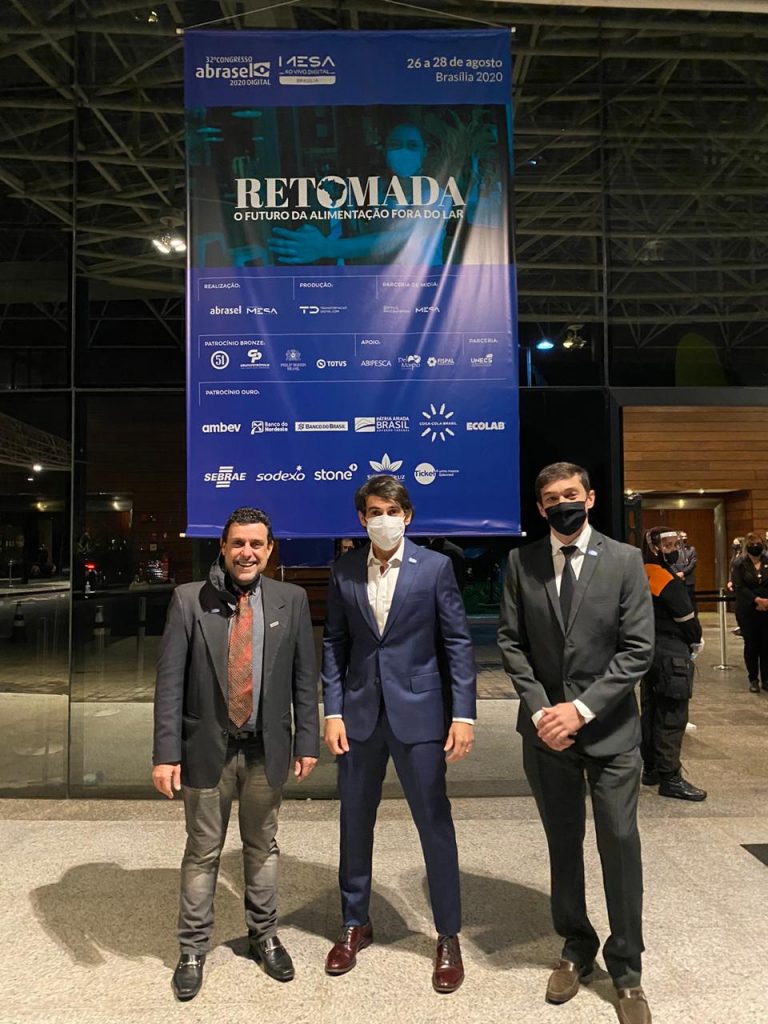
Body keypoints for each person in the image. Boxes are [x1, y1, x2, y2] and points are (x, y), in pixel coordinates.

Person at [497, 462, 654, 1024]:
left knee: (619, 842)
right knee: (563, 844)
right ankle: (576, 947)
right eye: (550, 498)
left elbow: (637, 649)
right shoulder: (521, 562)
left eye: (570, 494)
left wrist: (581, 709)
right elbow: (511, 643)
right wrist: (544, 711)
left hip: (610, 732)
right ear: (541, 508)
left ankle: (627, 970)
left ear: (589, 498)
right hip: (546, 735)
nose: (561, 503)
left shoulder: (625, 560)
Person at [152, 506, 319, 1001]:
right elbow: (169, 683)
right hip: (208, 749)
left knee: (262, 846)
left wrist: (307, 740)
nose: (247, 552)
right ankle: (191, 949)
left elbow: (303, 679)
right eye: (238, 543)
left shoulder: (292, 599)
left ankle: (264, 935)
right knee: (203, 851)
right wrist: (165, 753)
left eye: (257, 544)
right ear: (223, 548)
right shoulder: (188, 600)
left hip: (268, 748)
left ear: (270, 550)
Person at [322, 474, 476, 993]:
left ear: (407, 516)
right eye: (374, 511)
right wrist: (333, 711)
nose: (383, 519)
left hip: (422, 715)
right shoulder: (343, 570)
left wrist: (464, 715)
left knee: (434, 824)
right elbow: (334, 645)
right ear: (361, 518)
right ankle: (354, 922)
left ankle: (447, 934)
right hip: (359, 717)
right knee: (354, 822)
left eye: (391, 510)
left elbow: (457, 643)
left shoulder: (435, 568)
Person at [268, 122, 477, 267]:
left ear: (424, 152)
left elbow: (401, 239)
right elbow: (362, 238)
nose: (403, 151)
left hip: (420, 289)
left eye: (412, 146)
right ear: (384, 149)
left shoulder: (437, 195)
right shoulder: (371, 190)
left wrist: (326, 247)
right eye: (395, 145)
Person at [640, 528, 706, 801]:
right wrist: (696, 639)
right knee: (672, 714)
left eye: (675, 544)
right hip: (671, 652)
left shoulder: (639, 572)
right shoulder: (663, 577)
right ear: (654, 548)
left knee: (651, 710)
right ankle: (670, 777)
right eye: (667, 545)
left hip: (647, 650)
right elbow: (685, 615)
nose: (674, 549)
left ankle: (652, 768)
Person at [731, 531, 768, 693]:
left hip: (767, 609)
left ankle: (766, 679)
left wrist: (765, 602)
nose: (755, 547)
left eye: (758, 544)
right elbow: (739, 587)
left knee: (766, 645)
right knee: (752, 645)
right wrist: (757, 600)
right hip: (747, 610)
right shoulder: (739, 564)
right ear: (747, 546)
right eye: (752, 544)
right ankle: (753, 678)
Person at [677, 531, 698, 612]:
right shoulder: (673, 550)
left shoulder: (692, 549)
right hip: (676, 579)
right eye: (682, 537)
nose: (685, 538)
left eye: (686, 536)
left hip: (688, 581)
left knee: (691, 603)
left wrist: (683, 573)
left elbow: (693, 564)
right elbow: (671, 564)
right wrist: (677, 574)